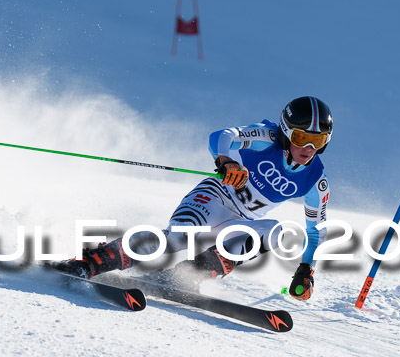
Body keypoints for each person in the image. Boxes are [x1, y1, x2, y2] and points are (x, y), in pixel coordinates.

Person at [53, 96, 332, 301]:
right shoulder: (266, 137)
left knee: (275, 232)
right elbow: (221, 136)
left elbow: (315, 230)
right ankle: (93, 261)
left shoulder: (314, 181)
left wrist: (307, 269)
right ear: (285, 131)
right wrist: (227, 161)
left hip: (239, 224)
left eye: (317, 141)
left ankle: (188, 274)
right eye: (300, 137)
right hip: (214, 198)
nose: (308, 148)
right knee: (179, 238)